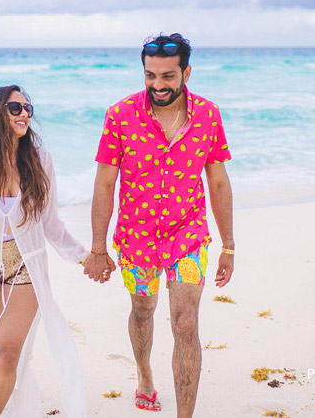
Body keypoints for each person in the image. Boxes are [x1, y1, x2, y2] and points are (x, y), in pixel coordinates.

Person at [82, 33, 234, 416]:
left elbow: (218, 181)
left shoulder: (208, 115)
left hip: (188, 234)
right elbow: (104, 184)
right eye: (150, 76)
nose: (158, 85)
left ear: (186, 73)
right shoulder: (120, 115)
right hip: (137, 237)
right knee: (143, 310)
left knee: (185, 324)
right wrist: (98, 248)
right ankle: (145, 373)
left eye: (168, 76)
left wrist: (228, 245)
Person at [0, 85, 91, 418]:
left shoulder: (40, 160)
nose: (24, 113)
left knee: (8, 351)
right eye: (15, 108)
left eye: (28, 107)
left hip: (25, 264)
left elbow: (51, 224)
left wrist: (86, 257)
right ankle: (7, 391)